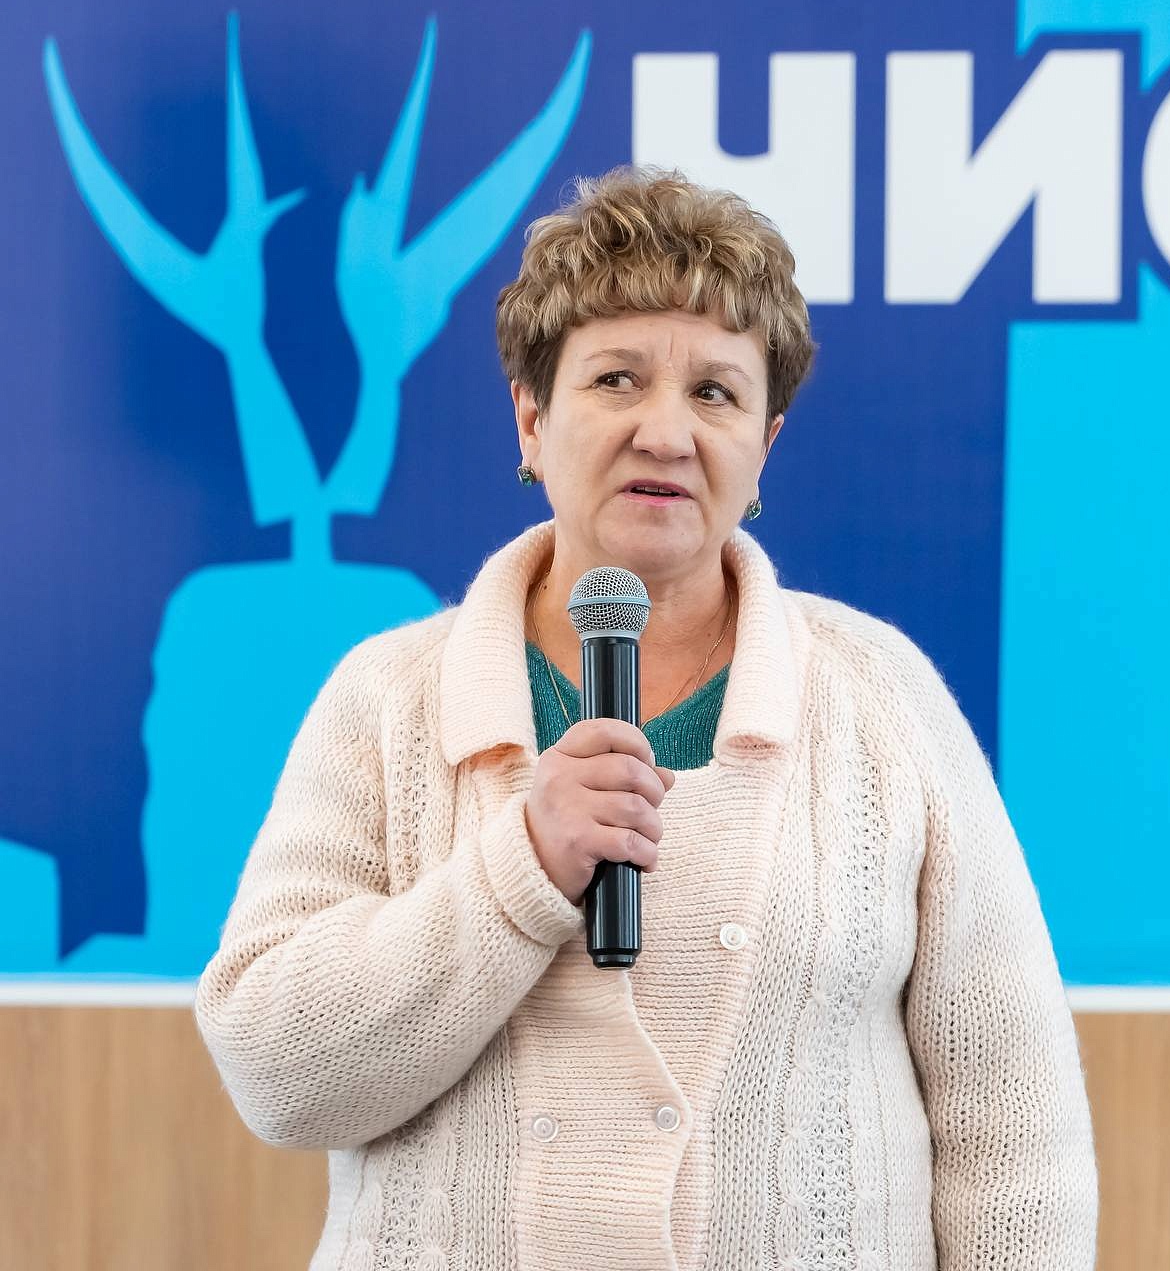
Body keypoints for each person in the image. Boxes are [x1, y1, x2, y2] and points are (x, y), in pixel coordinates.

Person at [195, 164, 1099, 1269]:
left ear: (763, 446)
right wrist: (519, 869)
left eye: (715, 393)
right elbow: (275, 1071)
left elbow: (1014, 1123)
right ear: (531, 419)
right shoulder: (387, 696)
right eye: (616, 379)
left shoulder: (880, 696)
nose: (665, 433)